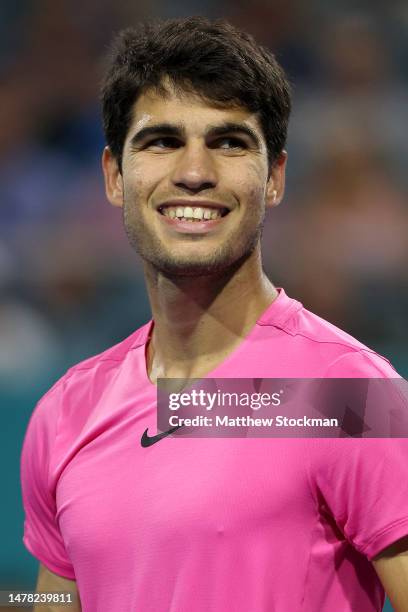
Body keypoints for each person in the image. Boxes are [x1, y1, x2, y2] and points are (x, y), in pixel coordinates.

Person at [21, 16, 408, 612]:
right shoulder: (64, 412)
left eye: (229, 142)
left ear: (275, 178)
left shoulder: (348, 396)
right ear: (114, 176)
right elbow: (50, 604)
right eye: (162, 141)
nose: (195, 173)